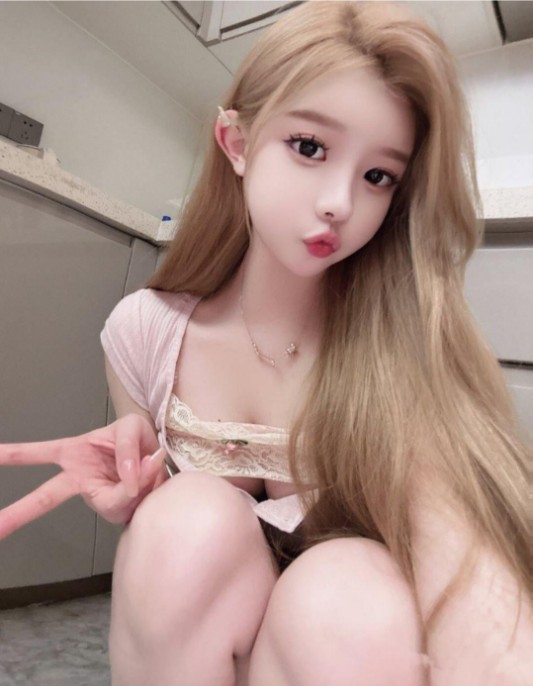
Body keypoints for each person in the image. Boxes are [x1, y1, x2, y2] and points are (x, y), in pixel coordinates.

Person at [0, 1, 531, 684]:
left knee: (350, 588)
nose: (340, 202)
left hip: (336, 656)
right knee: (184, 520)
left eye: (378, 176)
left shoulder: (399, 349)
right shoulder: (145, 330)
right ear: (237, 142)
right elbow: (167, 559)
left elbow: (461, 565)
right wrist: (137, 484)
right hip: (196, 652)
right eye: (309, 147)